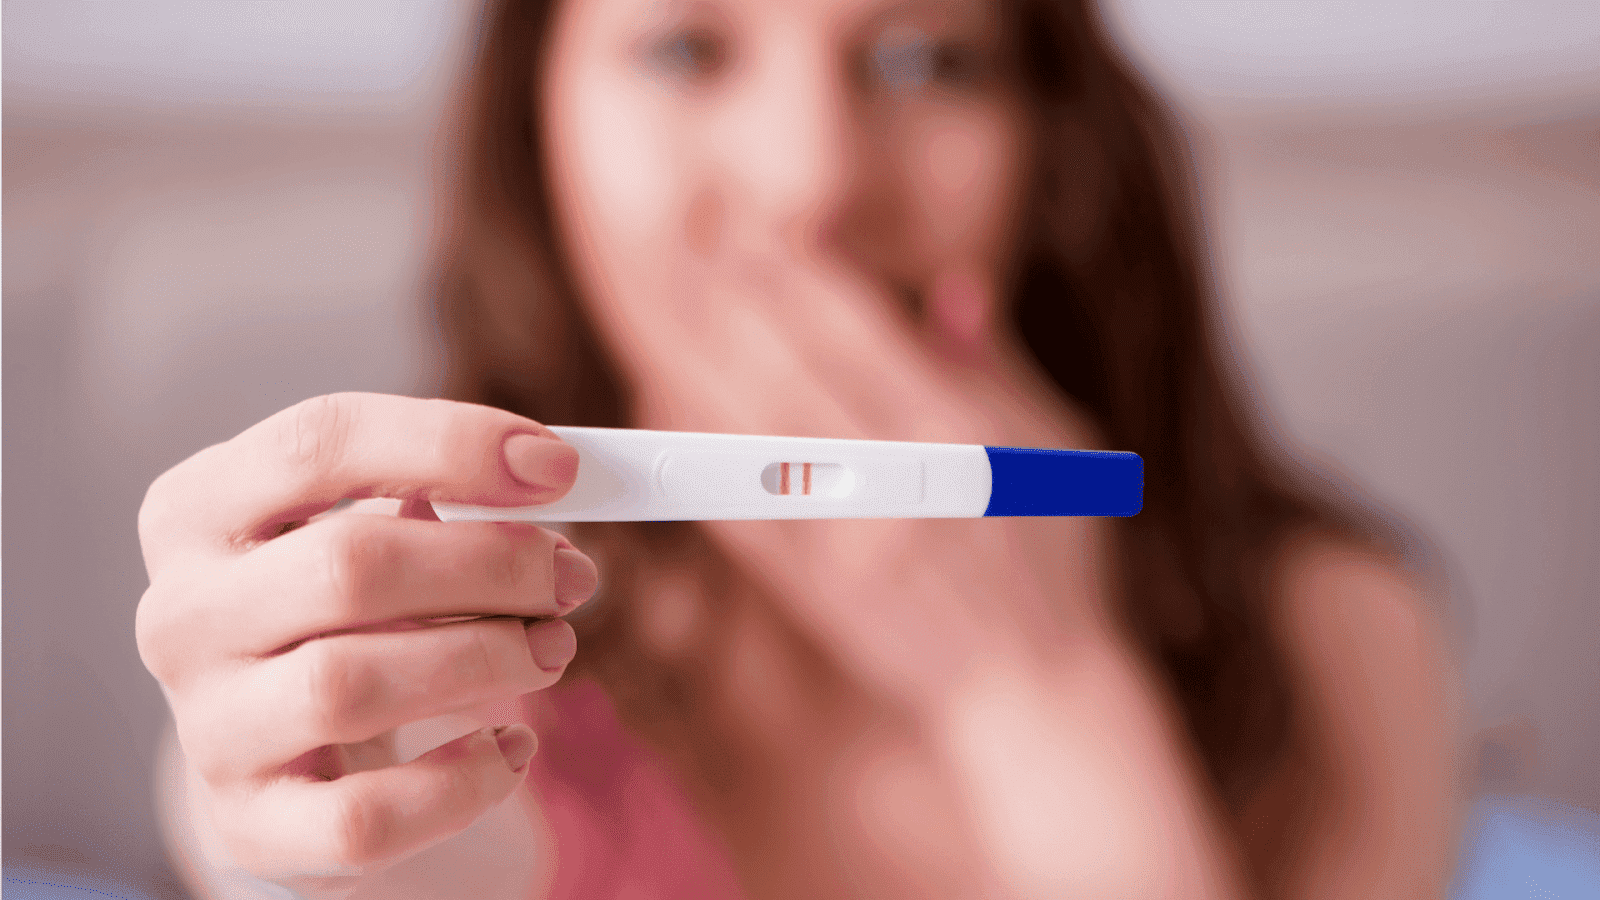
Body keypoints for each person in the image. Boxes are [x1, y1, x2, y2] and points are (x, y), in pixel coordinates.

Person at [137, 0, 1464, 896]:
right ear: (533, 131)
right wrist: (277, 811)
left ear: (1057, 146)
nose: (811, 182)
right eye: (684, 50)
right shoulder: (443, 639)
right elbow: (332, 836)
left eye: (921, 59)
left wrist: (1043, 693)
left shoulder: (1336, 635)